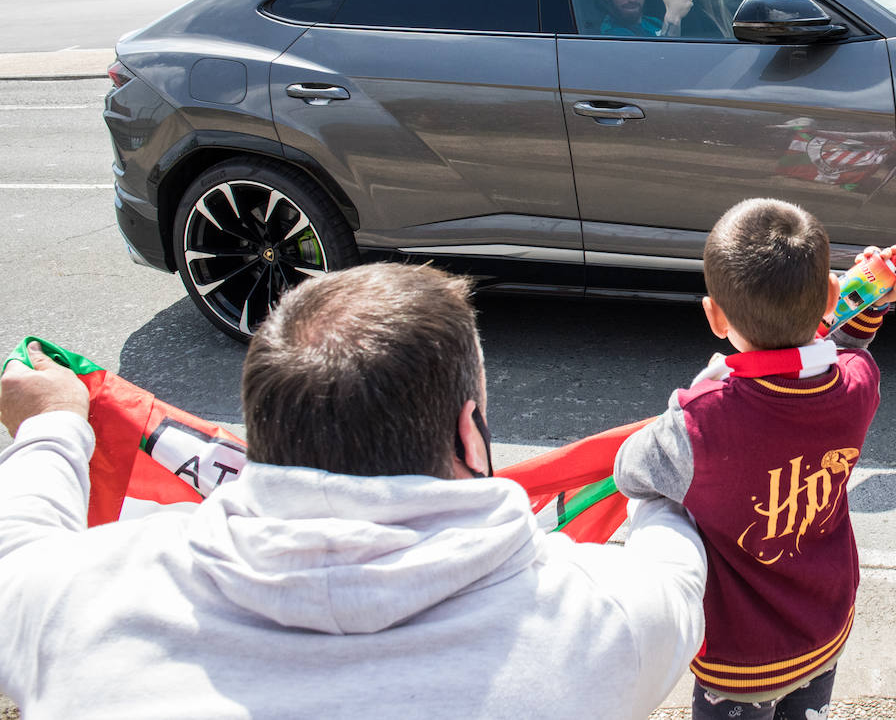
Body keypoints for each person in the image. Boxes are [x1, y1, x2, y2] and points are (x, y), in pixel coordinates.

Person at [0, 263, 707, 719]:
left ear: (263, 432)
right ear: (471, 434)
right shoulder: (607, 622)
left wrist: (55, 427)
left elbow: (19, 544)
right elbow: (675, 556)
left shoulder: (77, 608)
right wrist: (669, 466)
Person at [614, 198, 896, 720]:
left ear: (714, 314)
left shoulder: (699, 423)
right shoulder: (860, 384)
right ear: (833, 296)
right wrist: (872, 300)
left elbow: (629, 470)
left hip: (740, 655)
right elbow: (845, 351)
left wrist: (701, 390)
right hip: (823, 623)